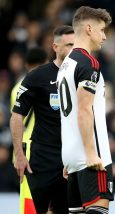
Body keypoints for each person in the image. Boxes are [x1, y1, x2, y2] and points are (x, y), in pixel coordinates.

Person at [10, 25, 74, 214]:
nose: (73, 50)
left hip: (70, 157)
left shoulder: (81, 76)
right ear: (55, 47)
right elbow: (16, 115)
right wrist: (19, 155)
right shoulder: (37, 77)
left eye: (75, 45)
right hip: (42, 157)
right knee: (35, 210)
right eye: (68, 45)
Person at [56, 6, 113, 214]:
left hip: (71, 155)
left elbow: (66, 115)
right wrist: (90, 153)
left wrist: (69, 156)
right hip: (92, 156)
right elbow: (83, 110)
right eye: (102, 30)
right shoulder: (88, 62)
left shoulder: (66, 64)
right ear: (89, 29)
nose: (105, 37)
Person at [9, 47, 48, 214]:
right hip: (42, 149)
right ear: (46, 63)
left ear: (26, 64)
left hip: (21, 150)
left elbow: (16, 120)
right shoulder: (49, 84)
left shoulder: (17, 87)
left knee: (27, 203)